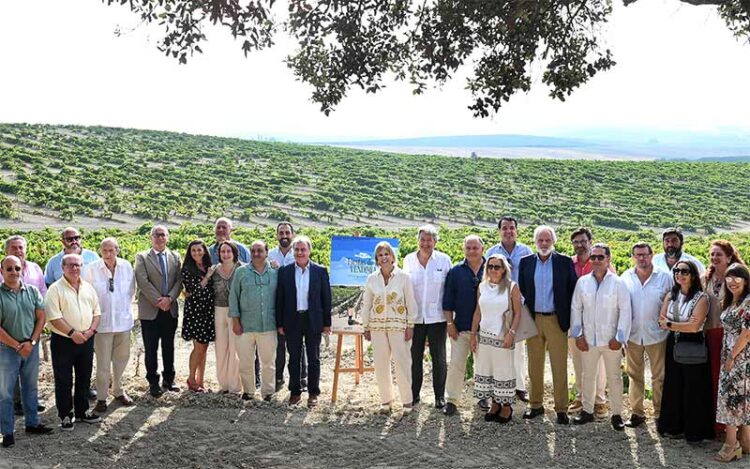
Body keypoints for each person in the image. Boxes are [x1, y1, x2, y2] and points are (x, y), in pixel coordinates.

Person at [518, 225, 577, 425]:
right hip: (534, 319)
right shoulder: (526, 263)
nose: (544, 244)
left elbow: (571, 291)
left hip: (555, 319)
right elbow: (524, 288)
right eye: (540, 240)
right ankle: (535, 405)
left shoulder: (564, 262)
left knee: (559, 365)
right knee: (534, 365)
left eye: (547, 240)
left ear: (554, 241)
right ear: (535, 242)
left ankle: (561, 409)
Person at [570, 244, 631, 431]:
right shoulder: (582, 282)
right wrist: (578, 335)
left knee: (614, 378)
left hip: (610, 340)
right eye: (593, 257)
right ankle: (587, 411)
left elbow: (625, 311)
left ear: (608, 259)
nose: (596, 261)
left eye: (600, 257)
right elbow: (576, 309)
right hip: (588, 339)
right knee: (587, 376)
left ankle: (617, 415)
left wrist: (619, 337)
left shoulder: (619, 283)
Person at [656, 260, 714, 442]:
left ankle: (695, 431)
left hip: (693, 343)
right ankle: (673, 427)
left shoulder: (702, 298)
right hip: (674, 342)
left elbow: (695, 326)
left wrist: (672, 324)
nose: (680, 274)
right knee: (673, 385)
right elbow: (661, 320)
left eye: (685, 271)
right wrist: (680, 325)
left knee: (693, 388)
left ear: (694, 275)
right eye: (677, 271)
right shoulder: (670, 295)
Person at [0, 256, 53, 448]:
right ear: (2, 271)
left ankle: (32, 423)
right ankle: (7, 432)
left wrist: (31, 342)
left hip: (31, 347)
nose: (14, 272)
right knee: (5, 393)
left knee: (30, 388)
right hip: (6, 350)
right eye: (9, 269)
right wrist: (17, 345)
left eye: (17, 268)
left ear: (22, 269)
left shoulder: (31, 291)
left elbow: (41, 316)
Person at [45, 254, 102, 430]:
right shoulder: (55, 289)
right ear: (63, 267)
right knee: (64, 379)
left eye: (78, 265)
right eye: (71, 265)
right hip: (64, 341)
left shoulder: (88, 288)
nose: (75, 268)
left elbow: (97, 313)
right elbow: (54, 317)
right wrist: (72, 333)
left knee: (84, 377)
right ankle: (65, 415)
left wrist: (91, 331)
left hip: (86, 339)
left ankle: (82, 411)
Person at [362, 241, 418, 414]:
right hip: (378, 327)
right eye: (380, 255)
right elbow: (367, 305)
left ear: (393, 256)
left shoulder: (404, 277)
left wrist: (411, 325)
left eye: (387, 254)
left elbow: (411, 302)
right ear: (377, 259)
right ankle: (386, 400)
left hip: (399, 326)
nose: (384, 257)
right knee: (380, 364)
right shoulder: (372, 279)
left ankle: (407, 401)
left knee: (403, 363)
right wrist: (366, 326)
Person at [275, 235, 332, 407]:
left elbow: (326, 298)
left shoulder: (320, 271)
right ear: (293, 251)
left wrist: (327, 323)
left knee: (314, 358)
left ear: (309, 251)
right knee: (294, 358)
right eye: (297, 249)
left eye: (303, 249)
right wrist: (279, 323)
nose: (300, 252)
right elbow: (280, 299)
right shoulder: (284, 272)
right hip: (292, 319)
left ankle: (313, 392)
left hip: (313, 318)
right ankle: (295, 391)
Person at [620, 242, 673, 428]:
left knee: (659, 376)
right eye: (638, 255)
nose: (641, 258)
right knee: (634, 375)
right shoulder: (626, 277)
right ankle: (637, 413)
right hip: (633, 335)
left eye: (645, 254)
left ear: (652, 255)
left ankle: (659, 413)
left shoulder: (666, 277)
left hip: (658, 335)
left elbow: (672, 303)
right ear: (633, 257)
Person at [82, 238, 136, 412]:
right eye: (104, 250)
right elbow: (87, 294)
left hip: (123, 323)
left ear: (117, 250)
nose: (108, 254)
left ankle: (119, 391)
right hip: (102, 325)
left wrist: (123, 309)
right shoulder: (91, 269)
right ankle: (102, 398)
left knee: (121, 360)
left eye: (111, 250)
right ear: (100, 252)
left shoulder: (127, 266)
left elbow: (131, 291)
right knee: (103, 364)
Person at [402, 224, 451, 409]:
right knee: (415, 357)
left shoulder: (444, 260)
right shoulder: (408, 260)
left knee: (438, 358)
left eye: (429, 240)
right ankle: (414, 394)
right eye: (422, 239)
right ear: (418, 241)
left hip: (437, 317)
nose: (425, 243)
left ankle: (439, 396)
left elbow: (449, 289)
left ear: (435, 242)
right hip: (415, 318)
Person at [470, 254, 521, 423]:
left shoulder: (511, 287)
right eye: (490, 266)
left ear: (504, 269)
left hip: (503, 337)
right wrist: (472, 335)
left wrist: (511, 333)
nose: (493, 270)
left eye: (497, 267)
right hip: (484, 337)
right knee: (488, 370)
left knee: (503, 370)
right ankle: (495, 403)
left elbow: (518, 313)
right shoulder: (482, 286)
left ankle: (506, 406)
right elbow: (478, 311)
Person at [485, 215, 532, 402]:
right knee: (497, 347)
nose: (508, 231)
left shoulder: (526, 251)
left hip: (519, 306)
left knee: (518, 349)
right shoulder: (491, 252)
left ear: (516, 230)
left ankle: (519, 387)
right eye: (505, 228)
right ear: (499, 231)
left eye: (511, 227)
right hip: (498, 306)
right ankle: (499, 386)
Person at [702, 240, 745, 437]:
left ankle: (736, 430)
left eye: (719, 254)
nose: (714, 258)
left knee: (734, 382)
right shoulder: (706, 278)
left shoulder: (738, 279)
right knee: (714, 378)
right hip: (711, 333)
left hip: (733, 338)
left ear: (729, 257)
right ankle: (719, 424)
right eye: (712, 254)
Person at [134, 225, 183, 398]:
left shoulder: (175, 257)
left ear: (168, 237)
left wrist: (169, 298)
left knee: (168, 347)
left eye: (163, 234)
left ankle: (169, 380)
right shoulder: (142, 257)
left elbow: (179, 280)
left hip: (170, 310)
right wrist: (159, 301)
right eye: (156, 234)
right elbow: (142, 281)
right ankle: (153, 382)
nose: (160, 237)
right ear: (151, 237)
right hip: (150, 310)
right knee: (151, 348)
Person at [1, 236, 46, 416]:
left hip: (32, 329)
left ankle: (30, 408)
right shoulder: (4, 269)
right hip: (8, 333)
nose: (18, 251)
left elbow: (42, 291)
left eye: (21, 247)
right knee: (8, 377)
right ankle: (16, 403)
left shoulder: (35, 268)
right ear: (7, 251)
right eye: (14, 248)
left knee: (30, 375)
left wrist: (34, 337)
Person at [567, 227, 609, 416]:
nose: (580, 245)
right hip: (574, 320)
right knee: (577, 359)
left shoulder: (601, 264)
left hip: (597, 321)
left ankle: (599, 400)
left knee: (597, 363)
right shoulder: (568, 264)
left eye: (583, 241)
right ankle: (582, 395)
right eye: (576, 242)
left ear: (590, 242)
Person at [230, 240, 278, 401]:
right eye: (254, 251)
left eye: (260, 251)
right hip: (245, 326)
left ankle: (268, 392)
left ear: (266, 252)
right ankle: (249, 391)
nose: (256, 254)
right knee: (245, 361)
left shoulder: (275, 273)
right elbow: (233, 297)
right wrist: (235, 321)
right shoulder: (241, 272)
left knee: (268, 362)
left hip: (269, 325)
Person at [442, 235, 485, 416]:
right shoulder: (455, 272)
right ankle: (452, 400)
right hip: (461, 328)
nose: (471, 251)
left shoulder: (492, 268)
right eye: (468, 248)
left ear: (482, 249)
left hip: (486, 330)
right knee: (456, 365)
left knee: (483, 366)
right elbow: (447, 301)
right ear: (463, 250)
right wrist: (450, 323)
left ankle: (482, 397)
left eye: (475, 247)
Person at [715, 263, 750, 462]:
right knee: (742, 398)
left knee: (731, 399)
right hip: (731, 356)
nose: (733, 281)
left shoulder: (748, 302)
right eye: (729, 277)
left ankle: (731, 444)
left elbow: (747, 334)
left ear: (746, 280)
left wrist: (732, 356)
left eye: (738, 277)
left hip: (741, 358)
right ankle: (746, 441)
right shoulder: (732, 302)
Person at [268, 222, 305, 392]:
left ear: (293, 234)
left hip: (296, 304)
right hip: (276, 304)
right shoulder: (269, 254)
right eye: (281, 233)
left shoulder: (299, 253)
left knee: (298, 344)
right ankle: (278, 377)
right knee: (279, 343)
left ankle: (302, 378)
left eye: (287, 233)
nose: (284, 235)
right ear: (277, 235)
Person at [207, 240, 242, 394]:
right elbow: (202, 288)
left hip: (237, 312)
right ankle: (223, 385)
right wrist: (207, 276)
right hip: (219, 310)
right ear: (219, 254)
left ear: (234, 253)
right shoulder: (214, 270)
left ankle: (235, 387)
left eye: (229, 251)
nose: (226, 254)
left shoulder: (242, 268)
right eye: (223, 251)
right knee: (221, 348)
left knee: (235, 349)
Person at [181, 239, 216, 393]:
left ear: (204, 251)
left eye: (199, 250)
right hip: (196, 311)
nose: (196, 253)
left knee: (204, 346)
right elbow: (194, 290)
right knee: (199, 347)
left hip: (208, 310)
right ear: (190, 253)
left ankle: (200, 379)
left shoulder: (209, 266)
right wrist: (207, 277)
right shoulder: (187, 269)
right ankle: (191, 378)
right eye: (193, 250)